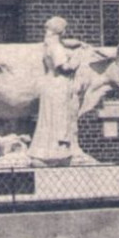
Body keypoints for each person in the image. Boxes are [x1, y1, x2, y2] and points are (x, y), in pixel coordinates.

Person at [30, 16, 84, 166]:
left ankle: (47, 151)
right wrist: (76, 61)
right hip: (58, 84)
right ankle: (54, 153)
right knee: (58, 118)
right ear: (60, 30)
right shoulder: (56, 48)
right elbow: (64, 68)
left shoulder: (49, 45)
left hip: (50, 83)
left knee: (49, 119)